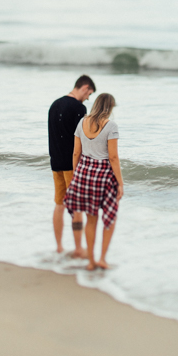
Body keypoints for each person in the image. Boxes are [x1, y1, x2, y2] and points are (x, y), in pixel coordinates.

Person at [63, 93, 123, 270]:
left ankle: (90, 262)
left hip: (84, 173)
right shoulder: (111, 125)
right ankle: (102, 259)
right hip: (103, 174)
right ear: (109, 107)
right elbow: (113, 157)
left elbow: (76, 153)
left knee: (91, 219)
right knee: (109, 218)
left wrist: (76, 177)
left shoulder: (82, 123)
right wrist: (120, 183)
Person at [48, 75, 96, 256]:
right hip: (72, 164)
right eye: (89, 94)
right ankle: (78, 248)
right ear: (84, 87)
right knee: (76, 207)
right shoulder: (78, 108)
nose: (88, 98)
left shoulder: (55, 105)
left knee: (59, 204)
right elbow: (81, 139)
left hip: (56, 162)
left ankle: (59, 247)